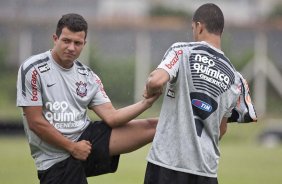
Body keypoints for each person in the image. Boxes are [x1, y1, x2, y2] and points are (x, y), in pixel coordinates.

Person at [16, 13, 160, 184]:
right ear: (55, 39)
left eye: (77, 43)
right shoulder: (33, 69)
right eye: (66, 41)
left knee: (157, 125)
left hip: (86, 140)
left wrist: (146, 103)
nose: (71, 47)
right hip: (56, 159)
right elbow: (35, 122)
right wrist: (72, 147)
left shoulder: (87, 75)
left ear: (84, 44)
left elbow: (112, 118)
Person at [143, 3, 255, 184]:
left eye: (193, 28)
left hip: (167, 166)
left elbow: (156, 81)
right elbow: (222, 129)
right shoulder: (235, 77)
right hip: (206, 172)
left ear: (199, 26)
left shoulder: (182, 51)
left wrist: (149, 89)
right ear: (221, 32)